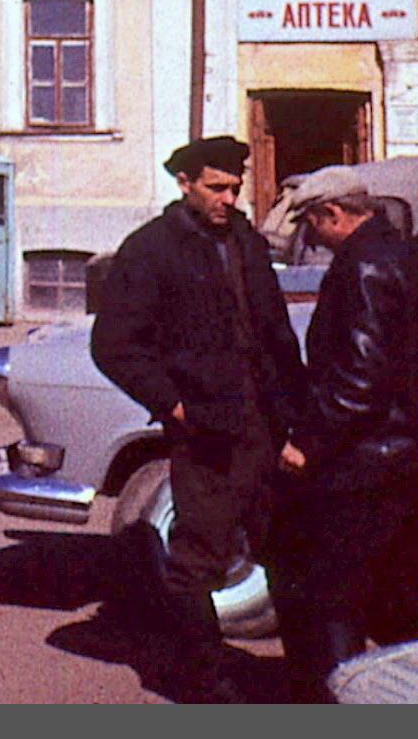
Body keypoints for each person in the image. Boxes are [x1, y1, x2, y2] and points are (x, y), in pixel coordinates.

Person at [91, 135, 305, 704]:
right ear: (184, 184)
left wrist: (296, 418)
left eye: (235, 187)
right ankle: (201, 681)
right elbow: (113, 345)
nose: (229, 198)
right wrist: (174, 403)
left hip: (265, 425)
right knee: (199, 561)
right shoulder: (151, 249)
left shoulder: (246, 241)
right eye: (216, 187)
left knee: (285, 548)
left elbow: (277, 334)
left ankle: (307, 678)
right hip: (206, 430)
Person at [269, 164, 418, 702]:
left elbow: (360, 380)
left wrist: (306, 443)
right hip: (403, 459)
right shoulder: (400, 252)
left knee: (332, 596)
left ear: (332, 213)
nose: (310, 236)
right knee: (397, 596)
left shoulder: (363, 266)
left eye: (311, 223)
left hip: (365, 463)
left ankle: (339, 702)